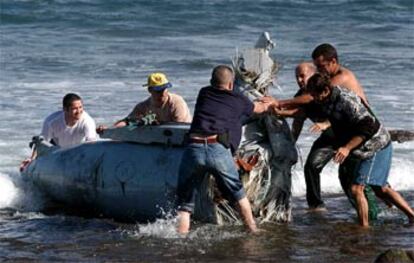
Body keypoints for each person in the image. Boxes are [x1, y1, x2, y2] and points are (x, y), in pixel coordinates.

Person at [306, 73, 414, 227]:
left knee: (357, 188)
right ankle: (412, 215)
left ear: (324, 91)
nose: (312, 97)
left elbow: (368, 126)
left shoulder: (345, 100)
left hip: (377, 145)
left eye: (314, 94)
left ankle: (364, 228)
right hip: (363, 148)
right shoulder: (326, 100)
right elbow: (311, 110)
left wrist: (346, 148)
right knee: (380, 188)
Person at [175, 65, 273, 234]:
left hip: (193, 149)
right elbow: (257, 109)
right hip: (217, 149)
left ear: (211, 82)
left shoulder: (203, 93)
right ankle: (252, 229)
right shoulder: (238, 99)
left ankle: (180, 237)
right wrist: (269, 102)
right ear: (231, 84)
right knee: (238, 193)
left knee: (185, 204)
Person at [20, 93, 98, 171]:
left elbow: (92, 145)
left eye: (80, 107)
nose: (79, 111)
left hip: (78, 152)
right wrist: (32, 159)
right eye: (75, 108)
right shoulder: (52, 121)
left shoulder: (88, 121)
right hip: (57, 151)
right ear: (65, 109)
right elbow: (41, 143)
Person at [113, 72, 191, 127]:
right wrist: (108, 129)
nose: (162, 94)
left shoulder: (176, 102)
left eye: (164, 89)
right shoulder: (143, 106)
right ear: (150, 90)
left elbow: (180, 126)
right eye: (158, 91)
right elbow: (127, 122)